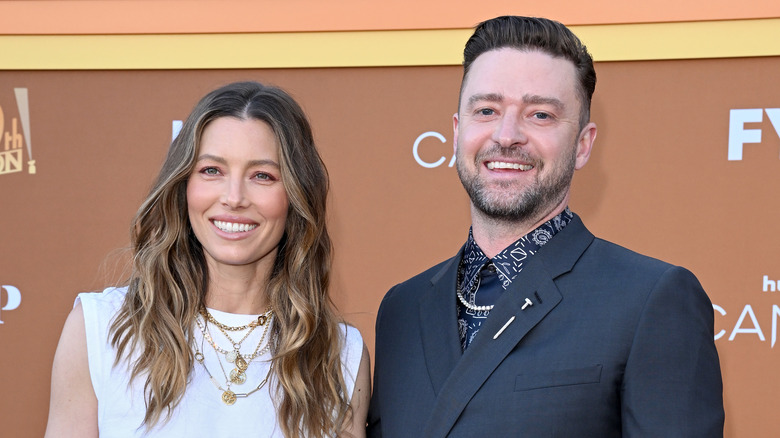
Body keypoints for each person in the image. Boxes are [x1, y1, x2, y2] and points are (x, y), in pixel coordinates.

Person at [368, 16, 723, 437]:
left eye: (540, 114)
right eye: (487, 110)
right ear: (458, 131)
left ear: (583, 144)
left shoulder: (651, 300)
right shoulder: (401, 310)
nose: (507, 135)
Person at [45, 81, 370, 438]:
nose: (233, 198)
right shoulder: (100, 329)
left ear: (295, 196)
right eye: (212, 171)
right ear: (183, 185)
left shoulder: (339, 355)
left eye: (262, 175)